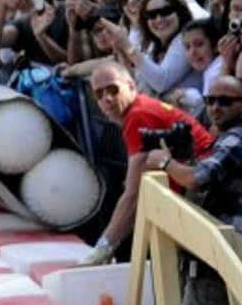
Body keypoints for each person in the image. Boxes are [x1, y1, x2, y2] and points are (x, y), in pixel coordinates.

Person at [81, 61, 216, 264]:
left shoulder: (138, 115)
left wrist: (103, 247)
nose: (106, 99)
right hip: (200, 186)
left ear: (131, 86)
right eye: (98, 94)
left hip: (207, 190)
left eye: (112, 89)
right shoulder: (138, 110)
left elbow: (132, 196)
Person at [154, 74, 242, 305]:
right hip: (224, 253)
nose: (215, 108)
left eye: (226, 101)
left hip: (221, 255)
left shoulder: (235, 139)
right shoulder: (226, 137)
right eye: (210, 101)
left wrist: (165, 161)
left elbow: (196, 180)